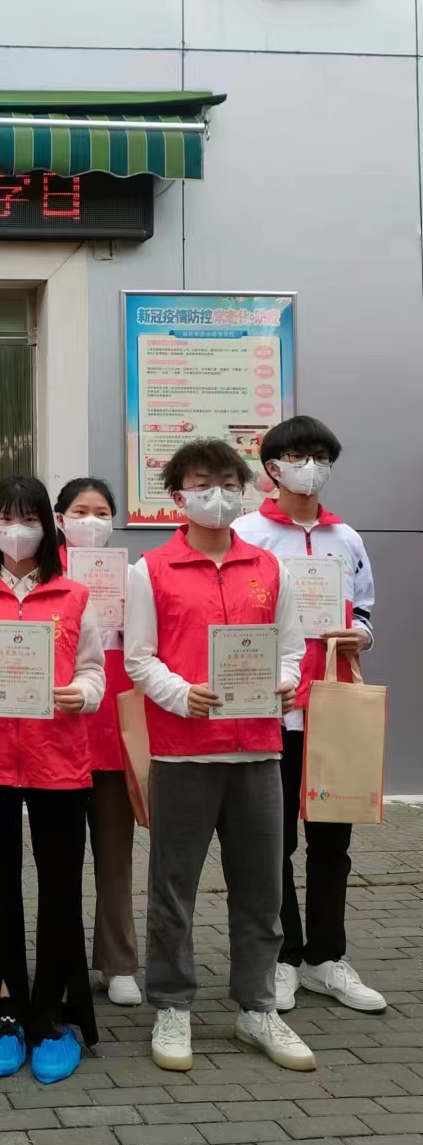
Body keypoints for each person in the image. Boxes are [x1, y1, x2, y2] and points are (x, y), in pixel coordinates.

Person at [124, 438, 312, 1073]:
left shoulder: (269, 567)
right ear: (178, 496)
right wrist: (181, 695)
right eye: (202, 484)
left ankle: (258, 1007)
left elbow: (292, 648)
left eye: (229, 484)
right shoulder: (150, 570)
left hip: (258, 750)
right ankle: (172, 1004)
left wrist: (284, 681)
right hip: (184, 752)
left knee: (261, 888)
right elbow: (139, 658)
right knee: (172, 888)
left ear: (245, 491)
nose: (218, 496)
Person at [0, 475, 105, 1085]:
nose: (17, 531)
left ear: (48, 527)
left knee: (61, 892)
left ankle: (54, 1016)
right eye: (5, 519)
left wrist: (80, 695)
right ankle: (4, 1012)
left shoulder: (76, 597)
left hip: (58, 760)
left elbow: (93, 672)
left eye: (29, 519)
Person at [233, 416, 384, 1014]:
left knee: (332, 840)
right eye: (299, 456)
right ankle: (284, 957)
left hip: (333, 705)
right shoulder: (246, 534)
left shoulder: (346, 537)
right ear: (273, 467)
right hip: (273, 709)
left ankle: (327, 957)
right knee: (274, 843)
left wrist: (360, 635)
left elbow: (365, 609)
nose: (311, 467)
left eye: (322, 457)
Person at [54, 476, 141, 1009]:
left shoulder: (132, 576)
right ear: (59, 519)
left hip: (114, 730)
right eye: (80, 511)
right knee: (60, 860)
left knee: (114, 856)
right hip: (60, 732)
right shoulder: (47, 574)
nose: (91, 521)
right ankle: (62, 960)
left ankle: (118, 961)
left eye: (102, 512)